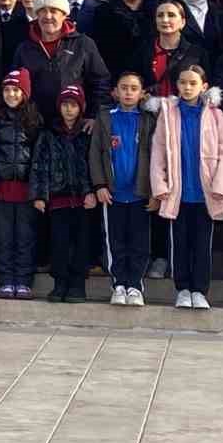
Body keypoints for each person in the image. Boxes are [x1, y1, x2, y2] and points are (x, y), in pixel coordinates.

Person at [149, 64, 223, 310]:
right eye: (183, 82)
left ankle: (200, 290)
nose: (187, 87)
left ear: (203, 86)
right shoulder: (168, 113)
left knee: (202, 245)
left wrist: (220, 188)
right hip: (177, 193)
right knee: (179, 243)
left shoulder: (214, 115)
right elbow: (159, 150)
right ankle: (182, 288)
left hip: (205, 194)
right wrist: (160, 185)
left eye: (193, 83)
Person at [90, 71, 155, 307]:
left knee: (139, 242)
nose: (128, 92)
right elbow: (95, 154)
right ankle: (118, 284)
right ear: (115, 92)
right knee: (115, 241)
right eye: (124, 87)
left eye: (134, 88)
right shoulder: (106, 117)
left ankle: (135, 285)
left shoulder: (149, 119)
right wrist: (99, 185)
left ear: (142, 93)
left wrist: (155, 191)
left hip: (140, 194)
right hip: (113, 194)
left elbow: (158, 156)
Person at [32, 85, 96, 303]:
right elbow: (39, 165)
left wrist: (92, 191)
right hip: (57, 197)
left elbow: (94, 164)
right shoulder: (49, 133)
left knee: (81, 242)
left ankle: (78, 284)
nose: (69, 110)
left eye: (74, 105)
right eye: (65, 105)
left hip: (81, 198)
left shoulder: (88, 133)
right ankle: (60, 283)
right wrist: (40, 195)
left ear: (81, 108)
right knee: (59, 242)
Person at [0, 68, 39, 299]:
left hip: (26, 189)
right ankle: (6, 279)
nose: (11, 94)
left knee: (25, 237)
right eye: (7, 90)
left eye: (16, 90)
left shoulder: (34, 118)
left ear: (25, 92)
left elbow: (39, 156)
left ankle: (24, 279)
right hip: (1, 187)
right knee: (3, 236)